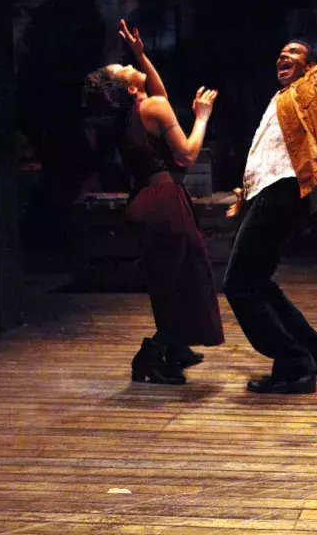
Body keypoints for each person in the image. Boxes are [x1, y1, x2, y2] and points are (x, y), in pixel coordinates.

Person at [222, 0, 317, 395]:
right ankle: (314, 352)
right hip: (270, 193)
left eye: (295, 54)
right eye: (282, 53)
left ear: (308, 65)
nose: (285, 57)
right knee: (257, 281)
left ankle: (293, 364)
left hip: (288, 189)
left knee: (238, 284)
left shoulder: (312, 85)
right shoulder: (279, 98)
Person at [82, 19, 224, 384]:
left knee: (173, 276)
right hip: (165, 202)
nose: (131, 66)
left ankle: (174, 349)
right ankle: (152, 355)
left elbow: (159, 97)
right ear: (131, 89)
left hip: (148, 201)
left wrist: (141, 55)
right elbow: (189, 155)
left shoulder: (135, 114)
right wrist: (202, 118)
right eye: (127, 68)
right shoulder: (153, 108)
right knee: (183, 276)